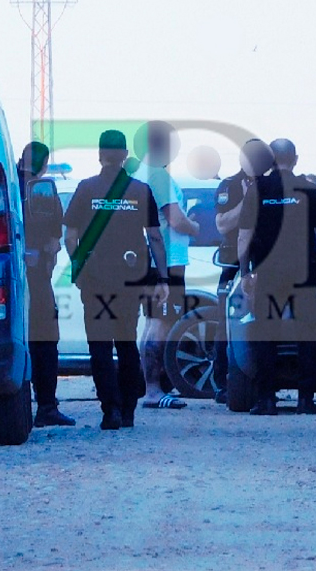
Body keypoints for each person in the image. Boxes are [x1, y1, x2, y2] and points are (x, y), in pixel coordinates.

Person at [64, 130, 169, 430]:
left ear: (100, 155)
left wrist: (80, 267)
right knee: (125, 342)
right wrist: (162, 277)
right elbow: (156, 238)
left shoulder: (85, 189)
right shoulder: (139, 190)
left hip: (95, 281)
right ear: (124, 156)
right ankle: (128, 409)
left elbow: (70, 237)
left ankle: (109, 410)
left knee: (99, 345)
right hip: (131, 280)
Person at [237, 138, 316, 415]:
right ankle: (305, 400)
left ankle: (267, 399)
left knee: (266, 334)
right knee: (307, 336)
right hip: (304, 273)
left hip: (266, 274)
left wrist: (245, 273)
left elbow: (244, 236)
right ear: (295, 158)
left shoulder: (257, 189)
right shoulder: (310, 189)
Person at [132, 121, 200, 410]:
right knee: (160, 323)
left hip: (150, 260)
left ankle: (149, 386)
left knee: (151, 323)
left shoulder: (138, 173)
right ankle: (153, 390)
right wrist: (195, 225)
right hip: (167, 262)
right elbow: (175, 219)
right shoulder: (157, 176)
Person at [212, 140, 276, 405]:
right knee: (226, 326)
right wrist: (248, 201)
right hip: (234, 266)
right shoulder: (230, 185)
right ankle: (222, 383)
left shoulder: (276, 185)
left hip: (268, 265)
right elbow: (222, 224)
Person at [18, 142, 75, 428]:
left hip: (8, 275)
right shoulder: (43, 191)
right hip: (36, 278)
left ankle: (29, 404)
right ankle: (46, 406)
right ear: (44, 165)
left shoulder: (4, 185)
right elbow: (56, 240)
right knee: (45, 340)